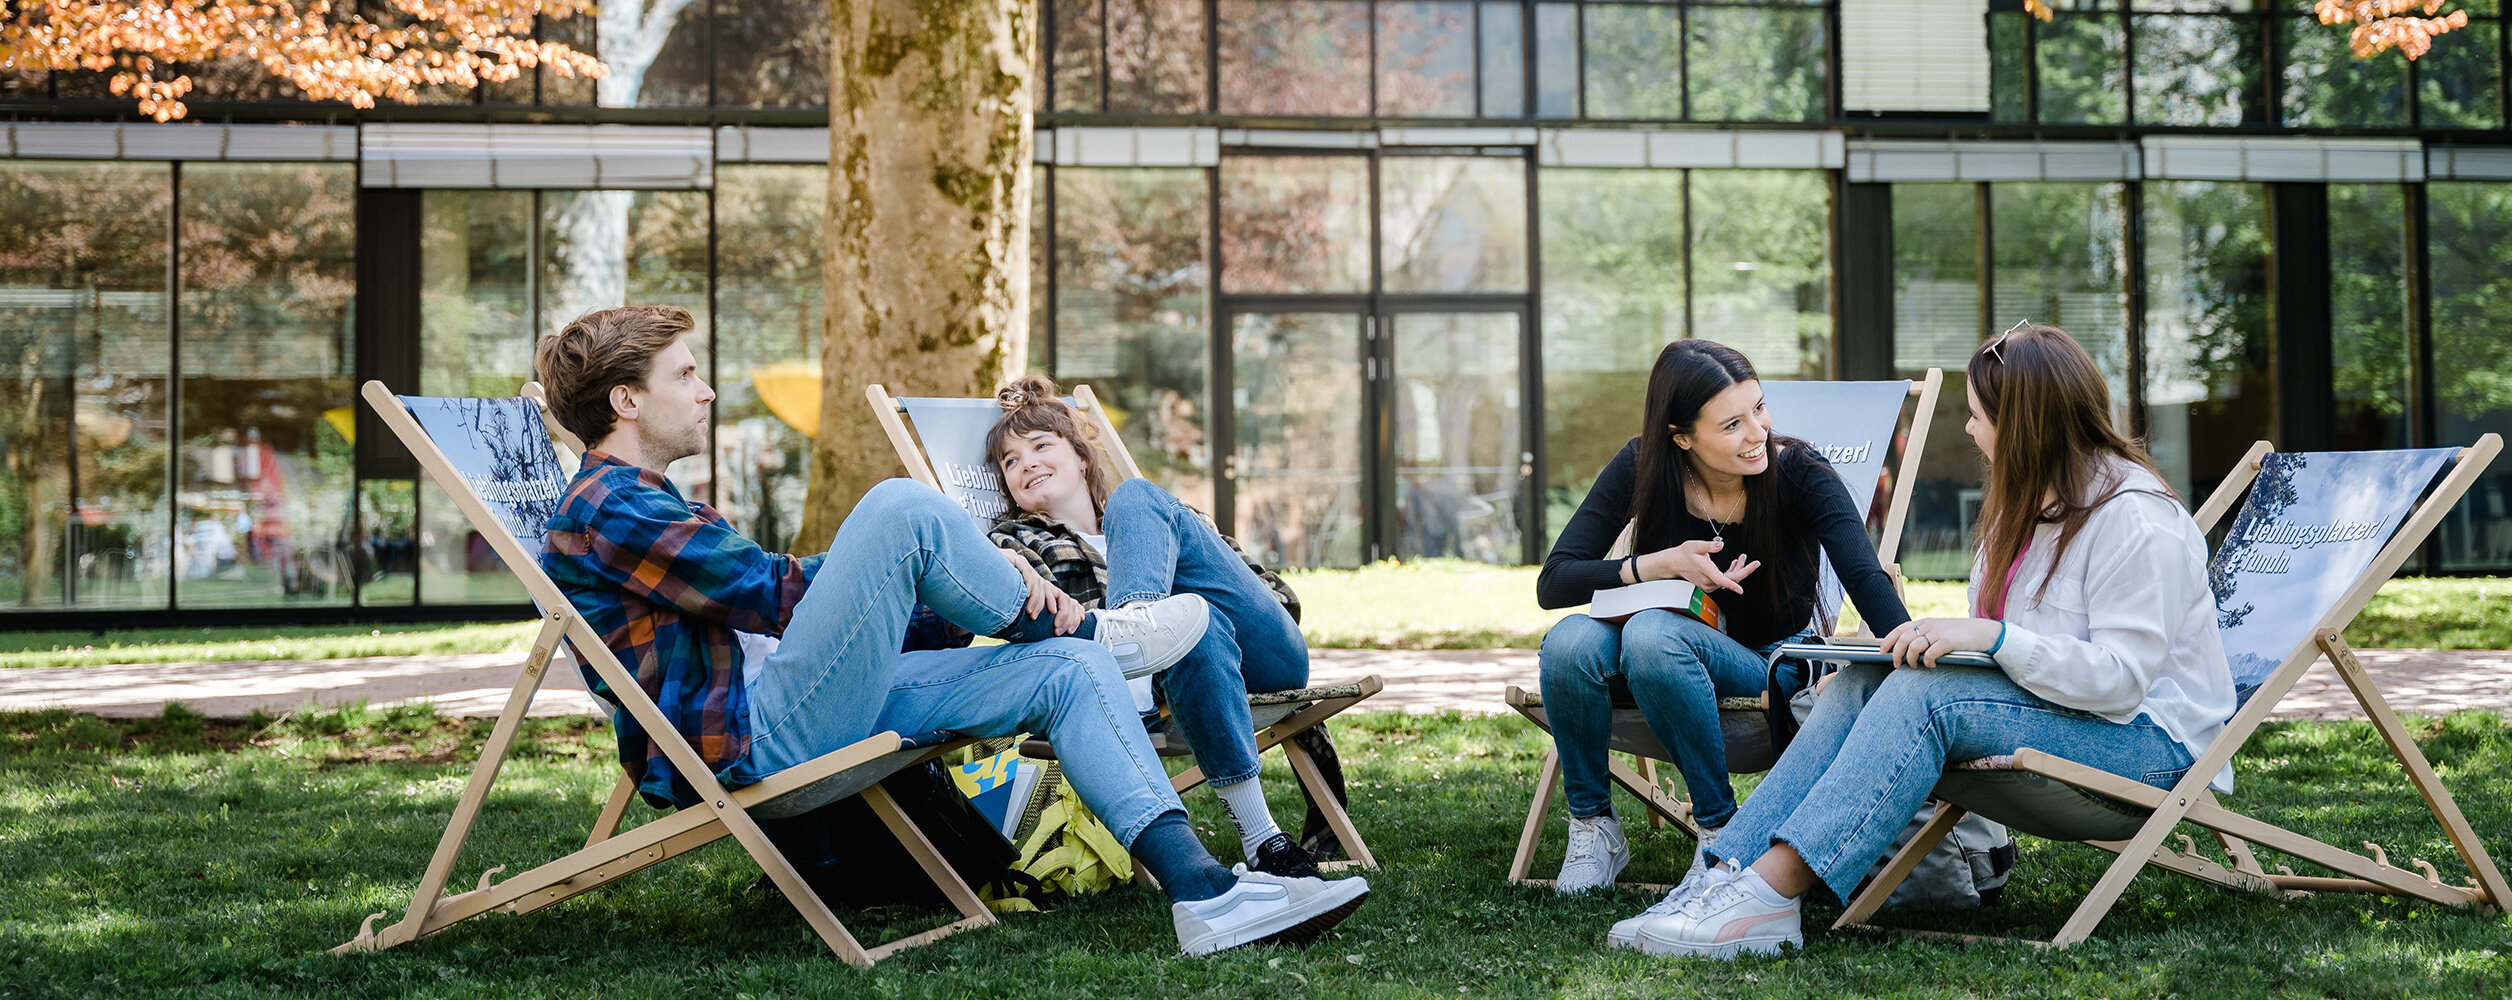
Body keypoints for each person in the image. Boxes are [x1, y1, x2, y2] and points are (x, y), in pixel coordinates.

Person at [532, 305, 1369, 956]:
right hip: (749, 739)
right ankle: (1096, 631)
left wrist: (948, 596)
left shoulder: (657, 500)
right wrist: (953, 574)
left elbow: (783, 610)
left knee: (1065, 671)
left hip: (805, 698)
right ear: (627, 399)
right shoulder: (609, 504)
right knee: (902, 508)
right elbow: (767, 591)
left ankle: (1205, 894)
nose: (706, 389)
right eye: (685, 375)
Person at [1604, 323, 2237, 958]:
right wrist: (1938, 644)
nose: (1968, 430)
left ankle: (1768, 899)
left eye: (1980, 415)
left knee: (1926, 700)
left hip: (2150, 746)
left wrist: (1991, 637)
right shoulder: (2025, 509)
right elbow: (2010, 661)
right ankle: (1723, 876)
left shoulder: (2135, 517)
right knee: (1858, 681)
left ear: (2025, 425)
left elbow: (2121, 682)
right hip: (2062, 713)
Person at [1533, 339, 1913, 893]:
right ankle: (1595, 826)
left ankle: (1720, 834)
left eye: (1759, 408)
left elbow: (1866, 580)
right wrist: (1660, 564)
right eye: (1731, 424)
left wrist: (1911, 658)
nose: (1758, 433)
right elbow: (1555, 580)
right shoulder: (1644, 465)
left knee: (1652, 634)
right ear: (1681, 437)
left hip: (1769, 661)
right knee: (1568, 642)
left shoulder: (1800, 474)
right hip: (1659, 656)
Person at [980, 375, 1333, 879]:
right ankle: (1263, 842)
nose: (1027, 462)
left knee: (1137, 500)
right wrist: (1002, 561)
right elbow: (1024, 619)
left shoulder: (1162, 516)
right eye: (1011, 462)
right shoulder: (1016, 543)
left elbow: (1277, 598)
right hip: (1185, 674)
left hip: (1266, 656)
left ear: (1081, 457)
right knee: (1192, 626)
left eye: (1040, 445)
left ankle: (1137, 652)